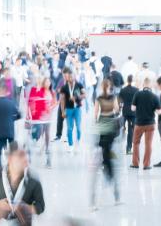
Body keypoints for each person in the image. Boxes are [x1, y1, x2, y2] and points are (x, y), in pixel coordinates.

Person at [0, 142, 45, 226]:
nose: (26, 158)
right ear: (10, 159)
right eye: (21, 155)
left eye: (26, 154)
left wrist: (26, 207)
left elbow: (41, 206)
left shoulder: (33, 180)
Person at [91, 79, 121, 209]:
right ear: (109, 87)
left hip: (102, 123)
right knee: (107, 149)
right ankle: (108, 170)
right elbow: (116, 110)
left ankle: (106, 164)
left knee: (103, 148)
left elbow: (95, 113)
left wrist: (96, 123)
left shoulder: (98, 98)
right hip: (110, 123)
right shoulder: (113, 97)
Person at [130, 78, 161, 170]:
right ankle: (146, 165)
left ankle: (135, 163)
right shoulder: (155, 96)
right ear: (150, 85)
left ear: (143, 85)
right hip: (150, 124)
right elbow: (159, 112)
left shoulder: (137, 94)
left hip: (139, 123)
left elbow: (132, 108)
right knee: (148, 144)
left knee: (135, 143)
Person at [0, 85, 21, 166]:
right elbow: (19, 115)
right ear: (6, 93)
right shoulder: (11, 102)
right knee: (12, 149)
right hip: (10, 130)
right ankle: (11, 164)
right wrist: (12, 119)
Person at [60, 67, 85, 151]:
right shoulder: (64, 87)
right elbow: (62, 100)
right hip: (68, 109)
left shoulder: (79, 85)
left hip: (77, 109)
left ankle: (78, 141)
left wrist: (76, 97)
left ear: (74, 77)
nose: (70, 78)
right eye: (69, 77)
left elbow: (85, 95)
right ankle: (70, 145)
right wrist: (63, 111)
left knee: (78, 127)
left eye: (72, 76)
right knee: (69, 128)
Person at [119, 75, 139, 154]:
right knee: (131, 131)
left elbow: (120, 102)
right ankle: (129, 148)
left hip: (125, 112)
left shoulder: (123, 90)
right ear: (133, 81)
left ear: (127, 80)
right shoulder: (136, 90)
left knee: (122, 129)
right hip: (133, 113)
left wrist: (120, 108)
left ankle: (121, 147)